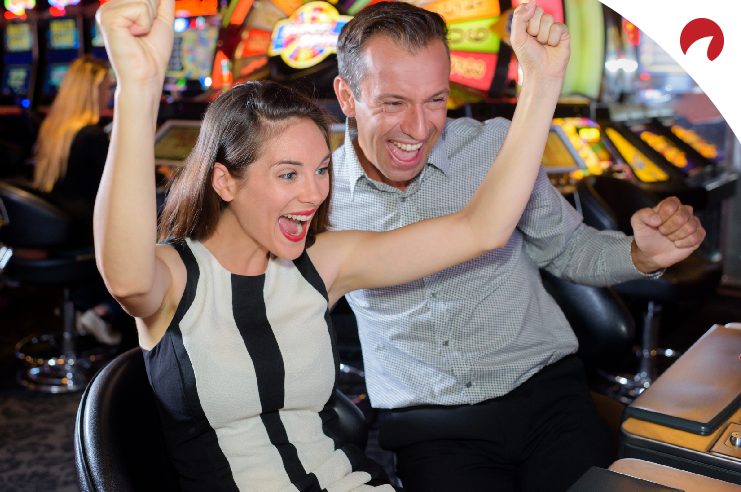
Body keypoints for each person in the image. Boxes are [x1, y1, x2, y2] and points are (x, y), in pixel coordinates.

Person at [93, 0, 574, 489]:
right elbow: (126, 275)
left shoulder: (321, 262)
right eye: (288, 174)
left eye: (322, 169)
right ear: (225, 182)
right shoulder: (176, 277)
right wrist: (139, 85)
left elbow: (482, 229)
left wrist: (541, 82)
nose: (314, 193)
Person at [329, 2, 707, 491]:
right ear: (346, 95)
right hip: (430, 424)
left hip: (545, 395)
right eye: (393, 102)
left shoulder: (497, 148)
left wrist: (641, 254)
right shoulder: (317, 195)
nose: (419, 129)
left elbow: (567, 248)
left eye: (436, 101)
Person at [32, 54, 121, 345]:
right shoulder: (90, 135)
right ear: (91, 90)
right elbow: (124, 184)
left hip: (56, 227)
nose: (110, 94)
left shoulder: (55, 128)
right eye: (107, 87)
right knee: (156, 235)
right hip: (80, 233)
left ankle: (82, 302)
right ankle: (103, 311)